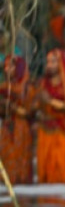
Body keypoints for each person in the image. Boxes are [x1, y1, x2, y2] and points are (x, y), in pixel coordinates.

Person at [35, 49, 65, 184]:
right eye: (48, 62)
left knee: (62, 171)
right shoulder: (43, 83)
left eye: (53, 61)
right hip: (46, 129)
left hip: (63, 129)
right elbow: (38, 104)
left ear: (61, 63)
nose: (50, 65)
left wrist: (50, 101)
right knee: (45, 169)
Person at [0, 56, 34, 184]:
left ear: (19, 68)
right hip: (6, 127)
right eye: (6, 66)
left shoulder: (27, 87)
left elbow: (29, 113)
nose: (6, 69)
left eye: (11, 66)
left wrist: (12, 107)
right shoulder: (5, 87)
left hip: (21, 127)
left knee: (20, 162)